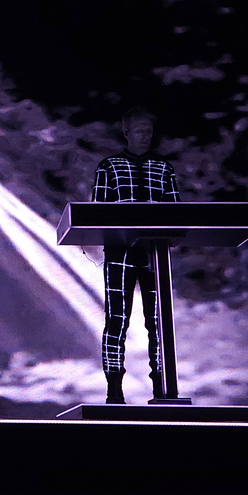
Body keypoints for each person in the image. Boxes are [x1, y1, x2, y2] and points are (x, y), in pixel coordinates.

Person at [91, 107, 181, 404]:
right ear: (127, 132)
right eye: (140, 130)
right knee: (117, 318)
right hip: (120, 252)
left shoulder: (163, 169)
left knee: (158, 321)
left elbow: (178, 214)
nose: (146, 136)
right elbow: (96, 213)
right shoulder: (109, 167)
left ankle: (162, 386)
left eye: (149, 131)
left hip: (156, 254)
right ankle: (114, 389)